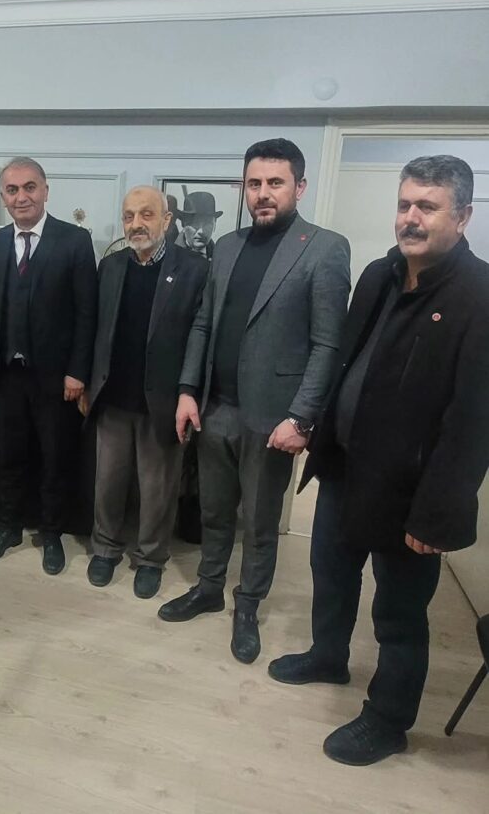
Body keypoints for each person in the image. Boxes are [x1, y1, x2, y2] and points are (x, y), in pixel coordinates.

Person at [269, 155, 489, 766]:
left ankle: (389, 721)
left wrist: (439, 514)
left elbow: (473, 423)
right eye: (404, 204)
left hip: (409, 492)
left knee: (399, 613)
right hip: (345, 466)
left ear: (463, 216)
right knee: (330, 574)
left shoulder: (479, 296)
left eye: (428, 206)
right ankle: (328, 656)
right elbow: (347, 361)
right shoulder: (378, 274)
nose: (410, 217)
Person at [158, 139, 351, 667]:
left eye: (275, 183)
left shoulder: (325, 248)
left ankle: (248, 606)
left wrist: (303, 417)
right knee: (214, 511)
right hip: (215, 407)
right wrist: (187, 391)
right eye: (254, 183)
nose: (263, 193)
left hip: (273, 418)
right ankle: (209, 588)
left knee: (260, 522)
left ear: (299, 187)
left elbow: (327, 344)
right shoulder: (227, 246)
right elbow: (203, 323)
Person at [83, 186, 208, 598]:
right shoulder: (111, 266)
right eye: (129, 216)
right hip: (113, 397)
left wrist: (189, 391)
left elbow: (199, 336)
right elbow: (97, 330)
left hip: (163, 402)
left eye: (146, 214)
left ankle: (151, 558)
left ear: (167, 220)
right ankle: (105, 548)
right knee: (108, 483)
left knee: (158, 490)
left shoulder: (193, 269)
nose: (136, 224)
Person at [0, 157, 97, 574]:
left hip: (56, 377)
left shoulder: (74, 240)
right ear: (3, 197)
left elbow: (87, 312)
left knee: (53, 458)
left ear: (45, 191)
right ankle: (9, 526)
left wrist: (78, 371)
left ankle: (51, 533)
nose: (21, 197)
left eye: (29, 187)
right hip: (6, 374)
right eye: (12, 190)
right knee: (9, 455)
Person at [176, 190, 222, 260]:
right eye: (195, 223)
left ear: (214, 224)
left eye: (207, 223)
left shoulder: (221, 258)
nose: (201, 231)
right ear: (183, 223)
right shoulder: (168, 255)